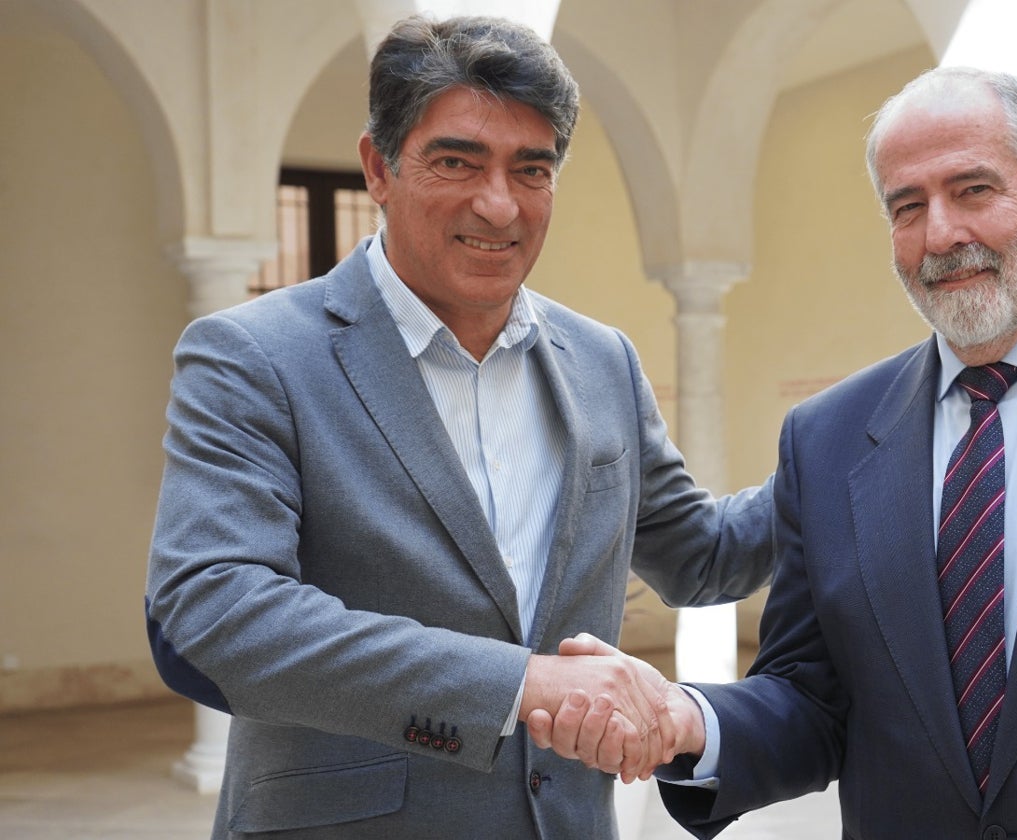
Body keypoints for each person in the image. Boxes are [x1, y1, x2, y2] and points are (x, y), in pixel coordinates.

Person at [144, 14, 775, 840]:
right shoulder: (254, 356)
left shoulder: (601, 361)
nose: (498, 203)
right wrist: (521, 685)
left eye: (532, 168)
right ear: (378, 165)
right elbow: (219, 610)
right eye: (456, 161)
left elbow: (699, 556)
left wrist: (854, 444)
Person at [536, 66, 1017, 838]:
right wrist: (689, 718)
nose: (940, 235)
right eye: (907, 206)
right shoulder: (828, 440)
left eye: (974, 190)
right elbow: (812, 700)